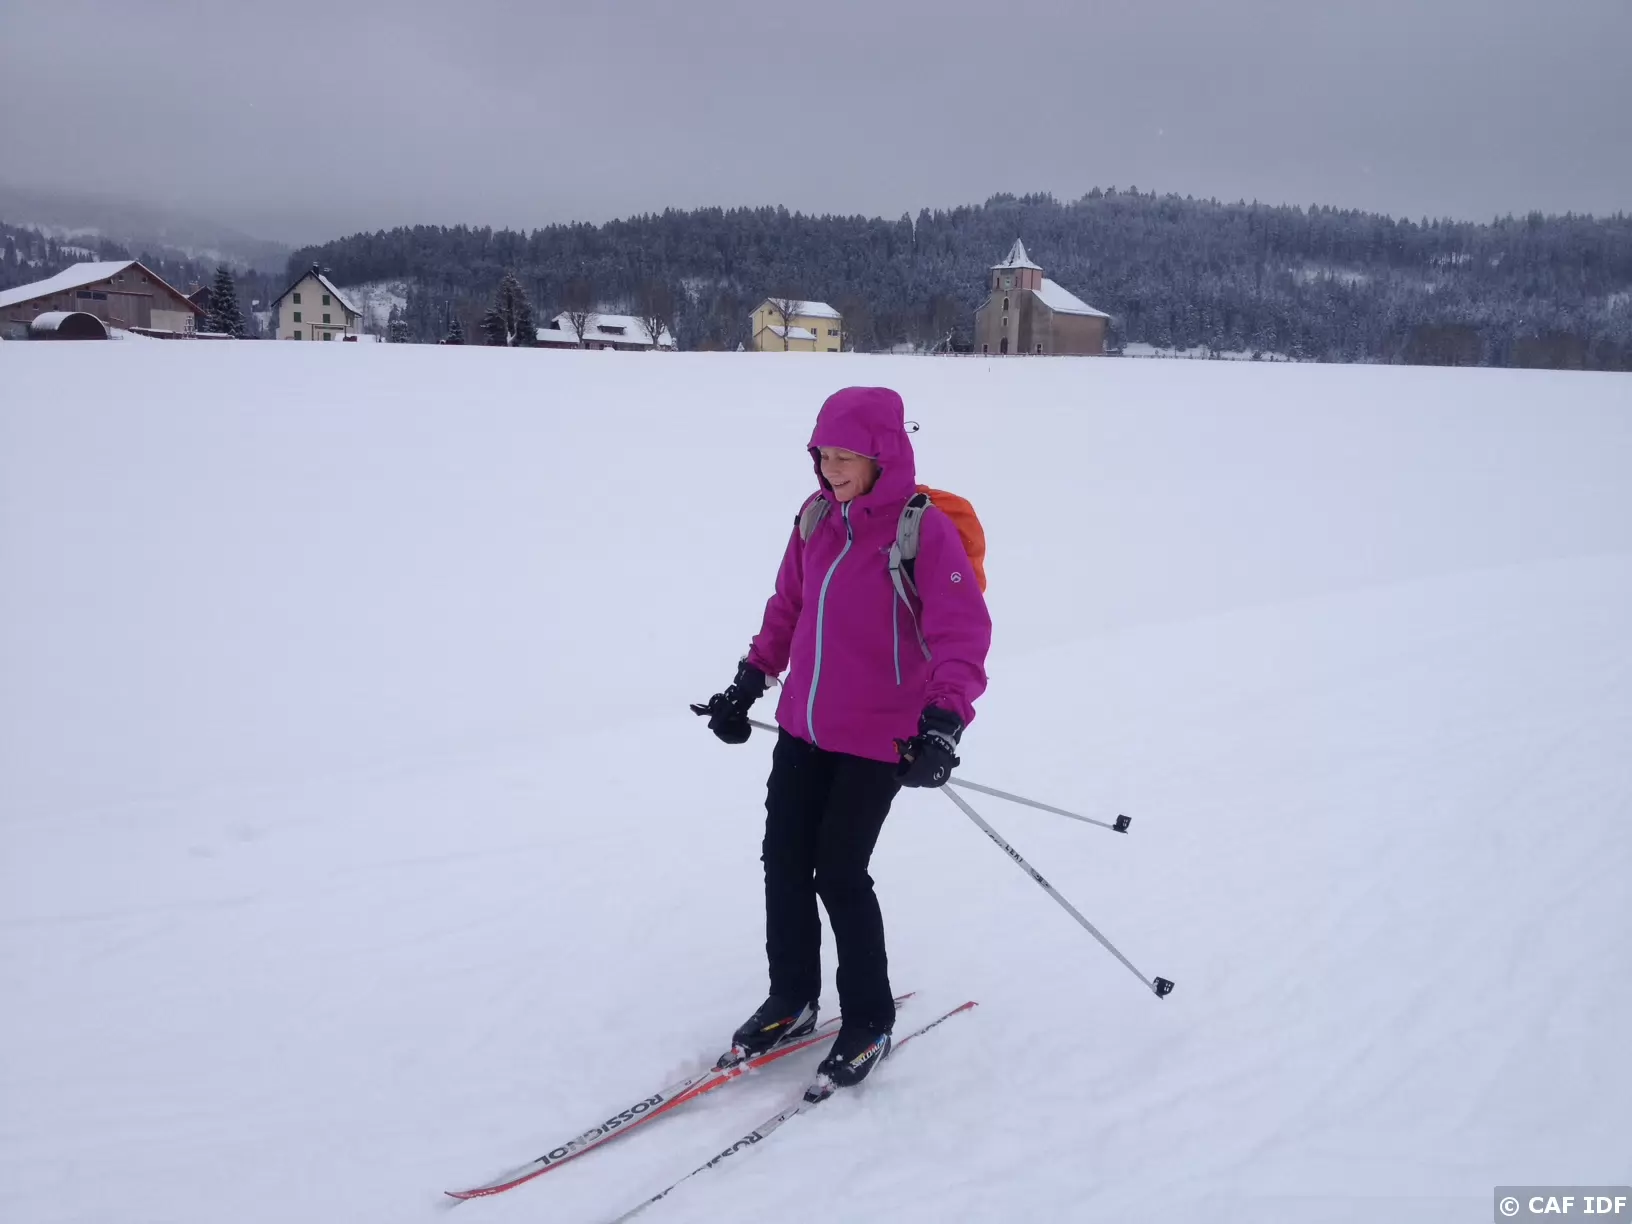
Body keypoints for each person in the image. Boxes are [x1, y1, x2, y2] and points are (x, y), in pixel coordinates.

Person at [692, 385, 992, 1087]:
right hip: (803, 726)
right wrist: (747, 684)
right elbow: (788, 607)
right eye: (822, 455)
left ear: (882, 455)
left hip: (880, 739)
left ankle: (869, 1018)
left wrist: (944, 724)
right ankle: (793, 998)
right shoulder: (815, 518)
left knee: (838, 871)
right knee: (783, 861)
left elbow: (962, 632)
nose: (831, 469)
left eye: (845, 457)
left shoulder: (922, 530)